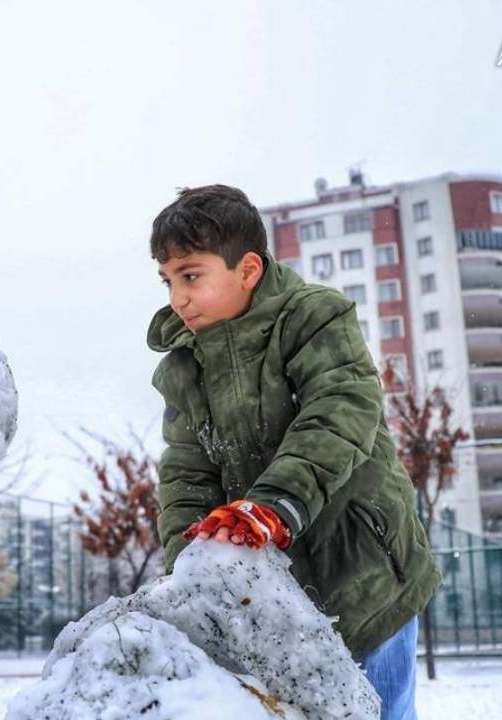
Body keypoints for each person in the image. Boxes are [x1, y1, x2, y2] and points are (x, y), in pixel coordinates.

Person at [146, 184, 440, 720]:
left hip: (363, 574)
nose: (177, 298)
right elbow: (186, 471)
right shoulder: (184, 367)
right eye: (167, 280)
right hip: (275, 599)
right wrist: (189, 568)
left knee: (379, 709)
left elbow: (338, 411)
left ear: (248, 269)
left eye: (190, 276)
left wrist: (276, 503)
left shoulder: (313, 318)